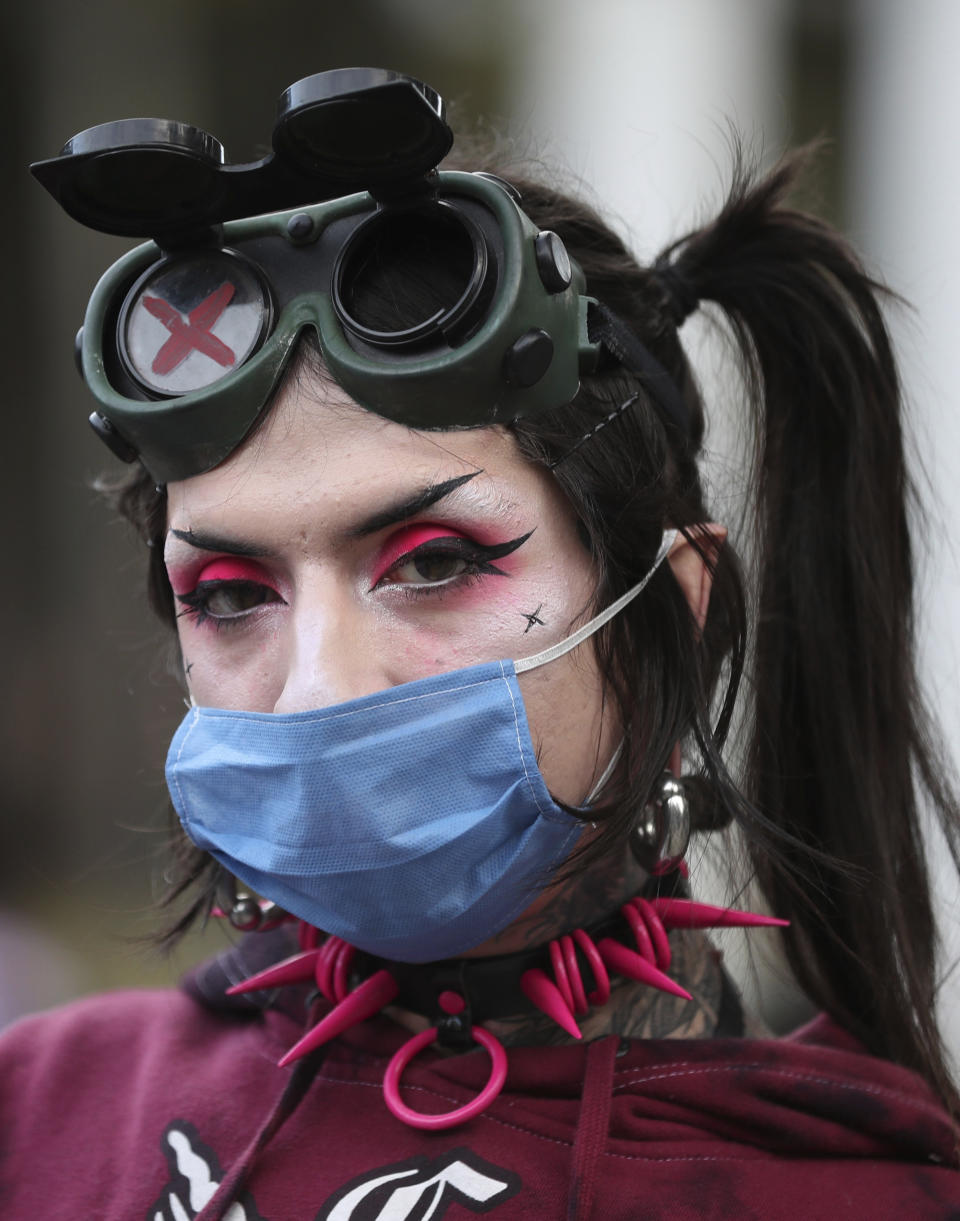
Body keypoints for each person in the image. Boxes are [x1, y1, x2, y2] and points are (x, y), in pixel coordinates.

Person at [3, 67, 959, 1219]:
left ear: (680, 607)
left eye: (436, 563)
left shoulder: (858, 1194)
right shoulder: (36, 1115)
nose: (320, 689)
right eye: (230, 592)